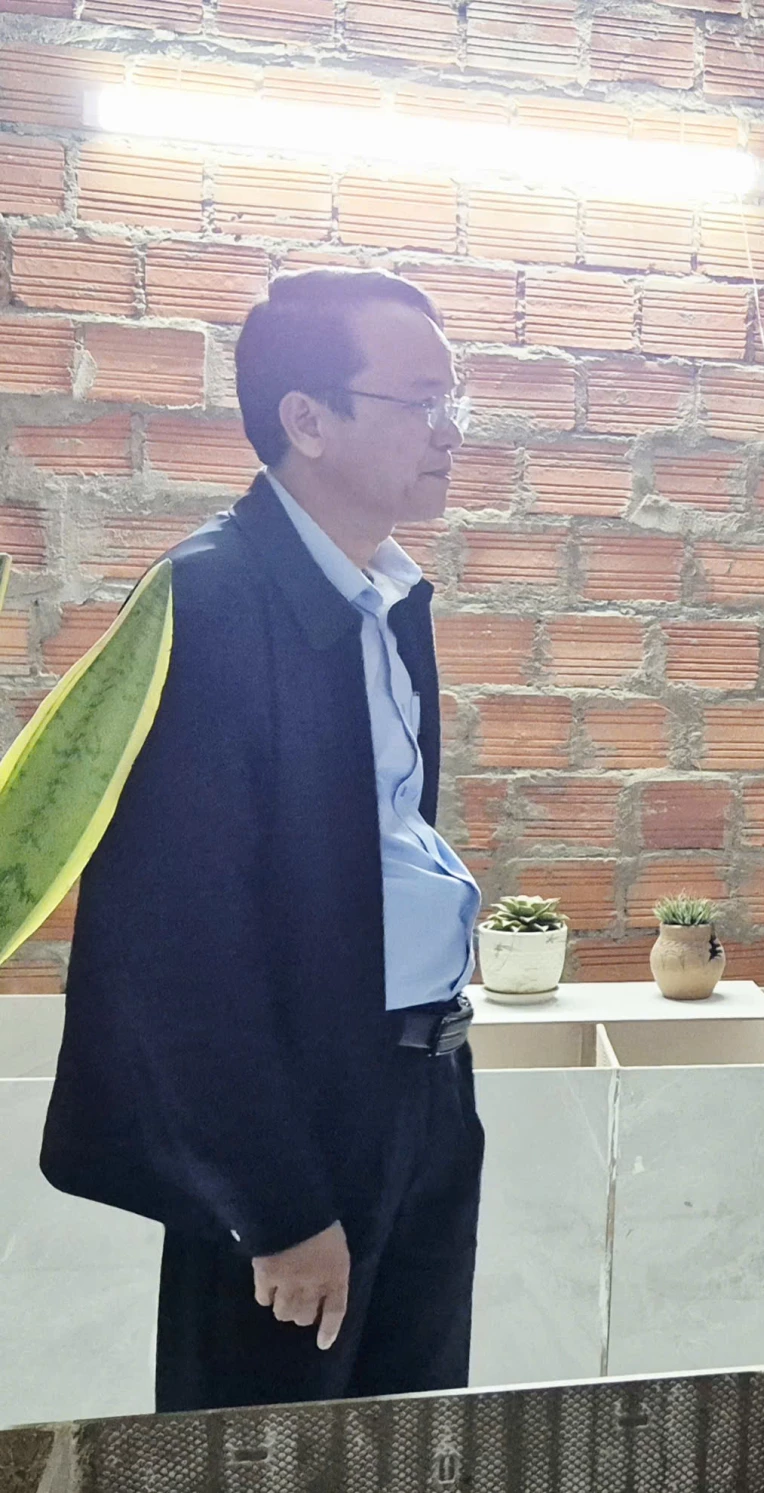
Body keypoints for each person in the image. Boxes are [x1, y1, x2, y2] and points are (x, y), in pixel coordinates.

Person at [40, 269, 486, 1412]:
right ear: (308, 418)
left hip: (425, 1082)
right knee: (264, 1448)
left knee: (415, 1431)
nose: (449, 431)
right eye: (420, 400)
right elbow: (175, 947)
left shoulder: (385, 597)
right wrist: (277, 1204)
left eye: (455, 400)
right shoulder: (213, 604)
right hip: (299, 1112)